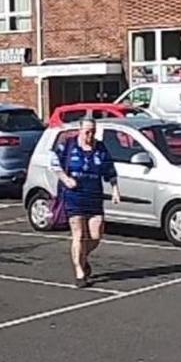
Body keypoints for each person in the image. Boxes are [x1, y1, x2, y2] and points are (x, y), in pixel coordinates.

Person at [52, 118, 120, 288]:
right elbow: (54, 164)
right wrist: (65, 179)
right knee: (79, 235)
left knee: (96, 236)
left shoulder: (100, 148)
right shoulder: (68, 145)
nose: (90, 135)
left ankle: (82, 257)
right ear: (80, 130)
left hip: (94, 195)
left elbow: (109, 169)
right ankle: (80, 272)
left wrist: (115, 189)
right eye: (87, 132)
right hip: (74, 196)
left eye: (93, 132)